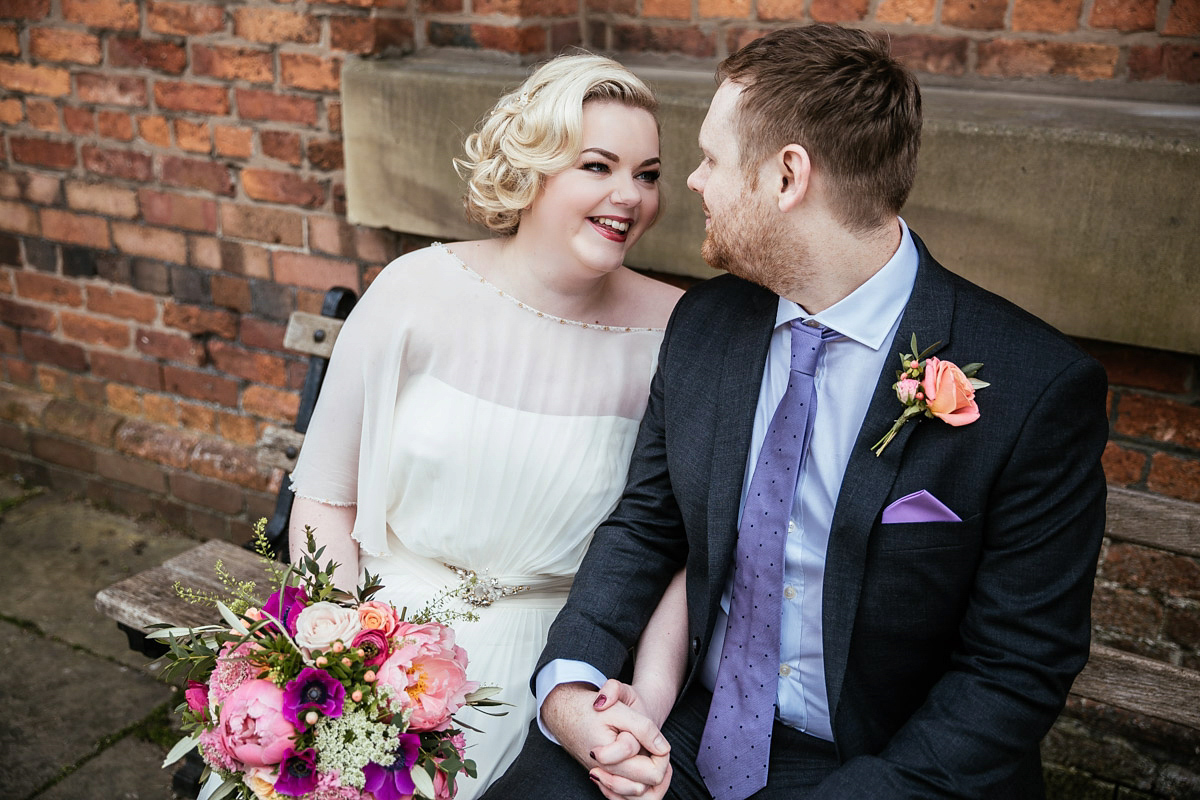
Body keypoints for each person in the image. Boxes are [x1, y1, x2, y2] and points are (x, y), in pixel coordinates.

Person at [483, 24, 1109, 800]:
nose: (693, 182)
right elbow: (647, 526)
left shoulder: (1036, 386)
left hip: (882, 765)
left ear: (787, 177)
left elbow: (1014, 670)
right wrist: (572, 690)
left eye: (712, 158)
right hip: (683, 725)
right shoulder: (708, 327)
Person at [286, 53, 686, 799]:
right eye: (598, 166)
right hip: (388, 655)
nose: (629, 196)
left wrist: (644, 709)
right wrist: (340, 664)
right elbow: (325, 499)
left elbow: (681, 550)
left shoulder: (674, 335)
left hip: (567, 678)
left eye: (649, 174)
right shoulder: (415, 292)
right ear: (532, 166)